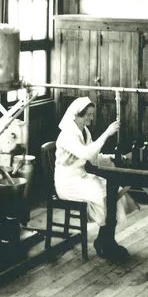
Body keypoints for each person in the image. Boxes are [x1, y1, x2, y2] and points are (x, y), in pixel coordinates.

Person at [54, 96, 130, 260]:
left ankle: (106, 239)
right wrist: (107, 134)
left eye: (91, 114)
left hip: (81, 177)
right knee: (103, 195)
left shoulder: (84, 131)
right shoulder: (67, 134)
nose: (91, 117)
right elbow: (86, 153)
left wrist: (111, 157)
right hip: (67, 182)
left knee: (114, 192)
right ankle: (105, 242)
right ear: (77, 115)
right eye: (87, 114)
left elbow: (93, 158)